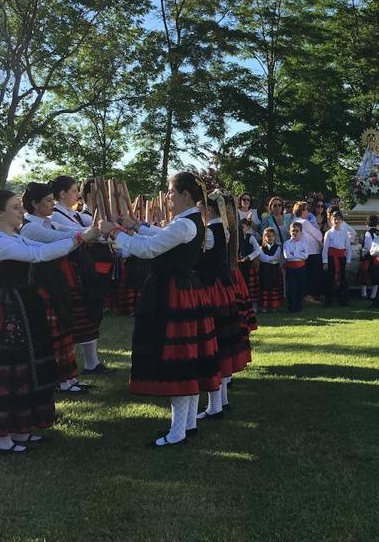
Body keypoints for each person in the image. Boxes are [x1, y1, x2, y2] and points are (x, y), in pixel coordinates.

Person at [0, 190, 99, 453]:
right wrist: (83, 236)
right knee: (9, 369)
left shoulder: (14, 236)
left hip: (24, 305)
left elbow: (42, 248)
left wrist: (83, 235)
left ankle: (20, 430)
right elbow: (40, 255)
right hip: (7, 310)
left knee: (26, 368)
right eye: (15, 207)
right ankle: (3, 439)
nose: (20, 211)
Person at [99, 172, 220, 446]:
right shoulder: (188, 222)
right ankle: (187, 425)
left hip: (174, 292)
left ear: (185, 195)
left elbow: (151, 248)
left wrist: (115, 232)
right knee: (187, 360)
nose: (167, 196)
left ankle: (178, 431)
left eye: (170, 192)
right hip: (182, 290)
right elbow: (159, 235)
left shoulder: (184, 225)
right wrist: (136, 225)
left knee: (179, 360)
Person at [20, 183, 87, 395]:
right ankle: (59, 379)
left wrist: (97, 230)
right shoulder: (31, 227)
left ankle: (69, 377)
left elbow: (73, 230)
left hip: (57, 281)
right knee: (55, 333)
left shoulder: (47, 222)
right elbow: (58, 239)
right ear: (34, 204)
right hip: (43, 285)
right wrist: (88, 234)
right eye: (48, 201)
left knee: (64, 329)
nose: (52, 204)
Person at [50, 176, 109, 375]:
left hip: (82, 268)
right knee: (75, 316)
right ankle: (72, 364)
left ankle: (92, 363)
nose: (78, 195)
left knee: (89, 313)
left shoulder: (73, 213)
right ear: (63, 193)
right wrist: (96, 231)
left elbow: (92, 227)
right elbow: (77, 231)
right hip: (69, 269)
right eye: (75, 191)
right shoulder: (56, 215)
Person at [193, 193, 243, 421]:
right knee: (223, 343)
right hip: (222, 288)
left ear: (208, 210)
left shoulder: (210, 233)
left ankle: (215, 405)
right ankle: (221, 400)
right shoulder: (222, 229)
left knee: (215, 345)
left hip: (212, 289)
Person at [322, 211, 352, 306]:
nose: (336, 221)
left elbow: (348, 248)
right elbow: (325, 248)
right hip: (331, 258)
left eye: (339, 219)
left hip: (341, 258)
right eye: (334, 219)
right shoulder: (328, 233)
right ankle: (329, 301)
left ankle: (343, 300)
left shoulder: (344, 233)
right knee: (330, 279)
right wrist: (325, 262)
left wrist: (348, 261)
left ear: (342, 220)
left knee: (343, 279)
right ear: (331, 220)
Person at [283, 222, 308, 313]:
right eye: (293, 231)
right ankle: (291, 306)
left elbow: (305, 255)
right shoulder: (286, 243)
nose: (295, 233)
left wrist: (295, 254)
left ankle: (299, 306)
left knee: (300, 287)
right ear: (290, 232)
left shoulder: (304, 243)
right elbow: (287, 256)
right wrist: (299, 255)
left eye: (297, 231)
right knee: (291, 288)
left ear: (301, 232)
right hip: (291, 268)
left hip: (301, 268)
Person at [239, 218, 262, 312]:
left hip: (248, 265)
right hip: (237, 265)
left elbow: (258, 250)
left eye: (243, 227)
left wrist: (249, 257)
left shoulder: (250, 237)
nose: (241, 229)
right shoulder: (236, 237)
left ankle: (253, 305)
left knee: (250, 285)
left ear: (248, 228)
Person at [258, 227, 284, 313]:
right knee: (264, 286)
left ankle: (274, 306)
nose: (270, 238)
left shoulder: (278, 247)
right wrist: (271, 259)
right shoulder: (261, 248)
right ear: (264, 237)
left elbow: (276, 258)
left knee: (274, 286)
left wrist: (270, 259)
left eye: (272, 236)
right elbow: (263, 258)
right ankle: (264, 307)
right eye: (268, 236)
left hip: (274, 270)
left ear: (275, 237)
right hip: (264, 271)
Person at [358, 215, 379, 299]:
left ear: (366, 224)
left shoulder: (368, 233)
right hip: (377, 257)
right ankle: (373, 295)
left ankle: (364, 294)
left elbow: (368, 247)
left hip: (369, 257)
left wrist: (363, 254)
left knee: (364, 275)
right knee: (375, 277)